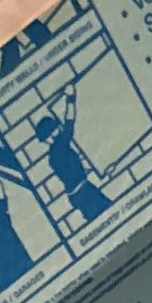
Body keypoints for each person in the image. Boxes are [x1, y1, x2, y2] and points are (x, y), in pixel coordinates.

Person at [35, 91, 111, 225]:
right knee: (108, 214)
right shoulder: (59, 146)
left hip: (78, 193)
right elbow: (69, 122)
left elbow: (70, 172)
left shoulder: (53, 155)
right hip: (83, 192)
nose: (58, 132)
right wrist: (70, 98)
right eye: (55, 130)